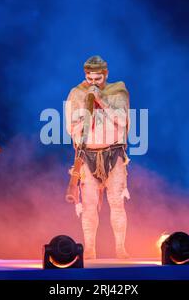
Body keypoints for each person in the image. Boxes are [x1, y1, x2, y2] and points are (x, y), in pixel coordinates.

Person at [65, 56, 131, 259]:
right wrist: (87, 106)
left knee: (117, 202)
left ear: (106, 75)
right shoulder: (76, 93)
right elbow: (70, 127)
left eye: (98, 78)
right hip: (88, 154)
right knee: (89, 204)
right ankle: (90, 248)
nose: (93, 82)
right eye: (89, 78)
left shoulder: (118, 91)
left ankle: (120, 247)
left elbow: (122, 120)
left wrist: (101, 99)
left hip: (114, 152)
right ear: (85, 75)